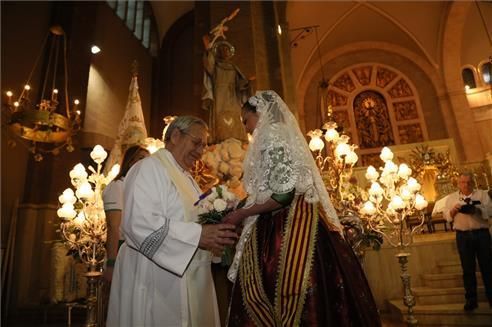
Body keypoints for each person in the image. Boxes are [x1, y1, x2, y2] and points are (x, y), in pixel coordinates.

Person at [223, 90, 381, 326]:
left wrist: (242, 213)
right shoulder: (282, 134)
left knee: (282, 289)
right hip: (303, 217)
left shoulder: (271, 134)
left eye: (246, 120)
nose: (246, 127)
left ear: (261, 113)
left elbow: (283, 194)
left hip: (287, 224)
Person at [106, 116, 238, 326]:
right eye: (196, 143)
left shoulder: (187, 179)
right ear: (175, 136)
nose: (200, 151)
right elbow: (139, 224)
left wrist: (215, 235)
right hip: (154, 277)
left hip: (189, 275)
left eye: (203, 146)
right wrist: (200, 235)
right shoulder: (148, 169)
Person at [443, 172, 492, 311]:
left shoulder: (482, 195)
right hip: (463, 236)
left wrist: (477, 209)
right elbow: (446, 216)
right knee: (467, 269)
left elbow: (490, 210)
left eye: (469, 182)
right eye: (463, 182)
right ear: (458, 184)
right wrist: (453, 211)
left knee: (488, 267)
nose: (466, 185)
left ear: (473, 183)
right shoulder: (452, 198)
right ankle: (471, 300)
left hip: (481, 234)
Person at [102, 144, 149, 283]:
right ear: (130, 162)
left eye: (148, 160)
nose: (145, 164)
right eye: (141, 158)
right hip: (122, 252)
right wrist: (112, 263)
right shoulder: (117, 186)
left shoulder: (141, 190)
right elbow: (113, 226)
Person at [202, 31, 252, 143]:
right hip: (219, 94)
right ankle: (219, 139)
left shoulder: (234, 68)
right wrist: (208, 49)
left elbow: (239, 85)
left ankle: (237, 139)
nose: (224, 52)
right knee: (219, 116)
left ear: (229, 53)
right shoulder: (215, 66)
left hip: (233, 96)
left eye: (226, 50)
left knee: (235, 116)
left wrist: (247, 83)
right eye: (222, 50)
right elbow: (208, 65)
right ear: (218, 52)